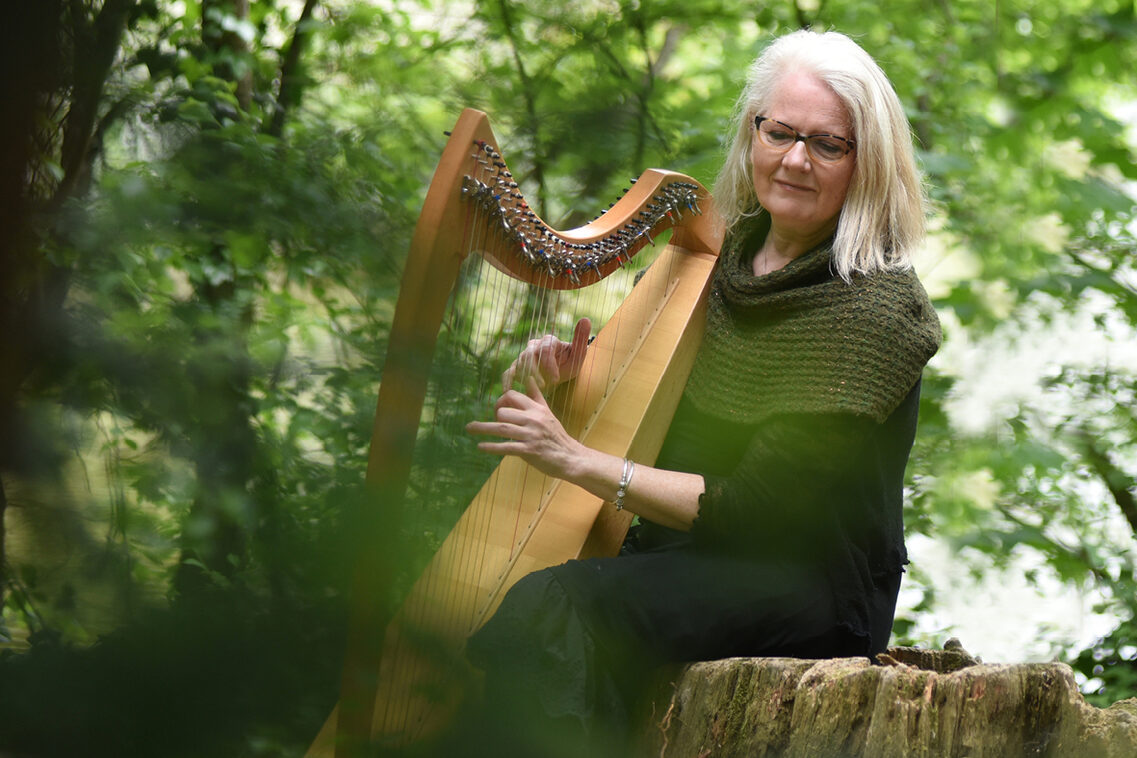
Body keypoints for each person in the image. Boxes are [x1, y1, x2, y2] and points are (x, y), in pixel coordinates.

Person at [462, 28, 941, 757]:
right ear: (752, 131)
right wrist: (565, 385)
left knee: (553, 605)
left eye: (827, 144)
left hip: (808, 587)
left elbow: (756, 507)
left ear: (866, 162)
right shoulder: (719, 260)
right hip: (685, 554)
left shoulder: (872, 310)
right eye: (779, 132)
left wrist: (576, 460)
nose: (795, 160)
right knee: (503, 612)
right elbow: (651, 420)